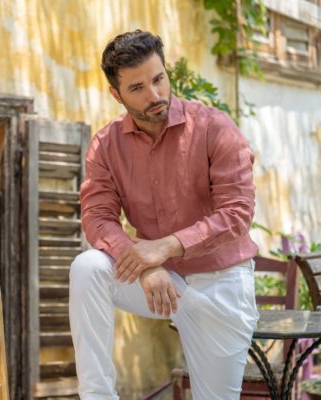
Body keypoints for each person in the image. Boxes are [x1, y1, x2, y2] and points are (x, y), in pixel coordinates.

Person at [69, 29, 260, 400]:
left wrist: (165, 247)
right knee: (89, 268)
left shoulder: (214, 127)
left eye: (158, 79)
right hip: (158, 280)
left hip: (221, 283)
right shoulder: (106, 145)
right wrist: (145, 265)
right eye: (137, 88)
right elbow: (98, 216)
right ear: (116, 94)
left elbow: (238, 212)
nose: (154, 95)